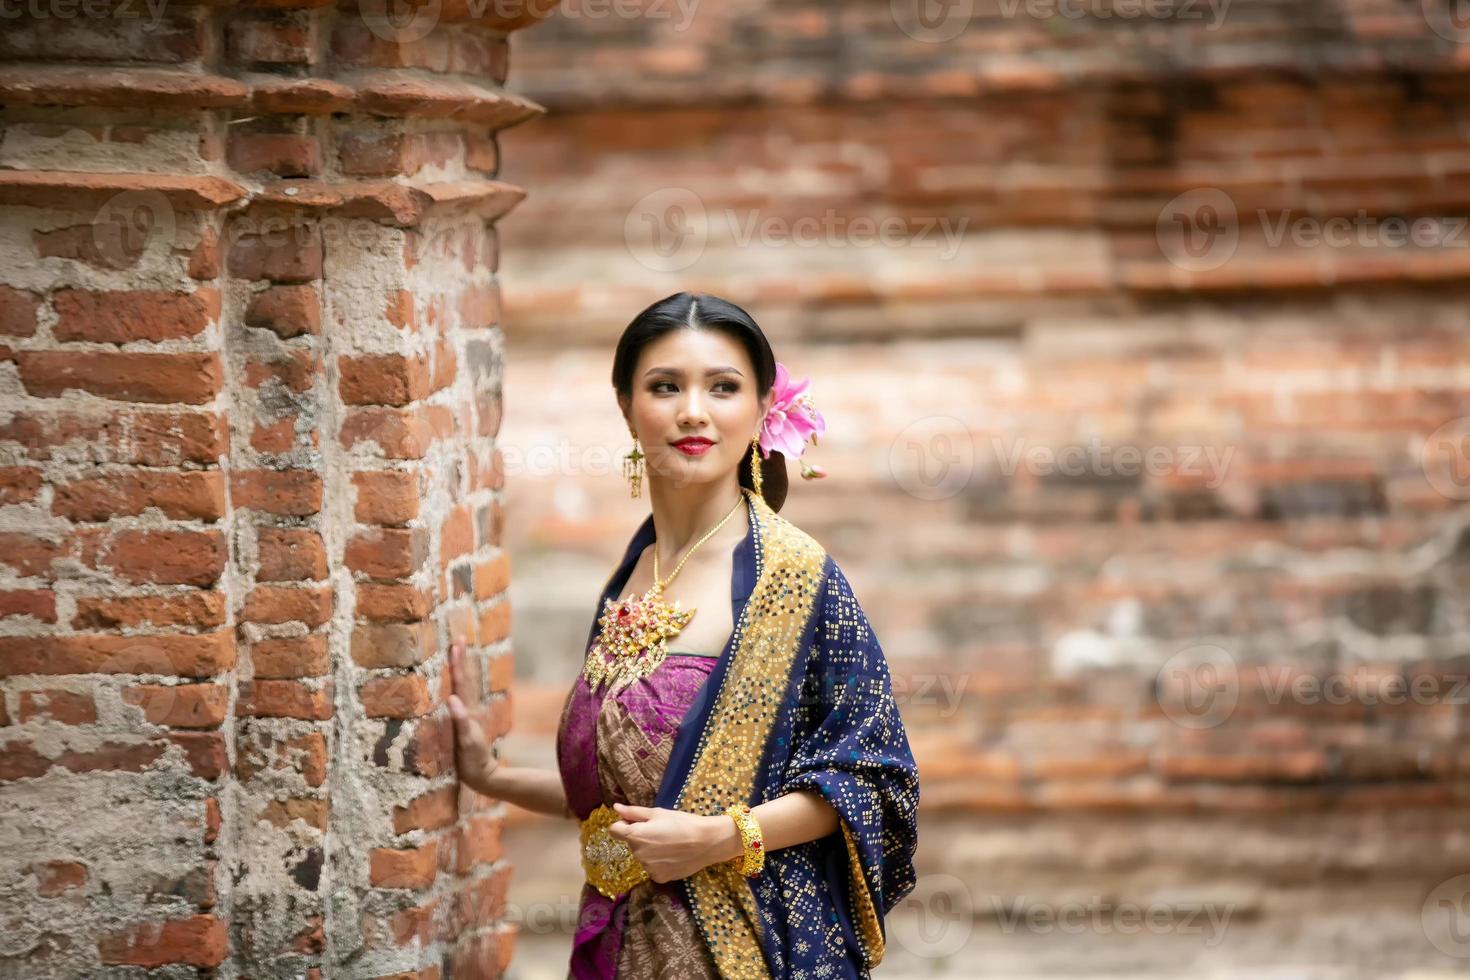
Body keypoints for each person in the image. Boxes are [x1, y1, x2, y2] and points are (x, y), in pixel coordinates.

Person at [446, 292, 920, 978]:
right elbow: (630, 805)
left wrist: (721, 838)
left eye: (722, 388)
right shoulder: (634, 572)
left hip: (745, 948)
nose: (693, 410)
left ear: (761, 411)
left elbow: (873, 778)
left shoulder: (795, 580)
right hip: (623, 943)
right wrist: (489, 776)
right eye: (665, 386)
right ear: (625, 406)